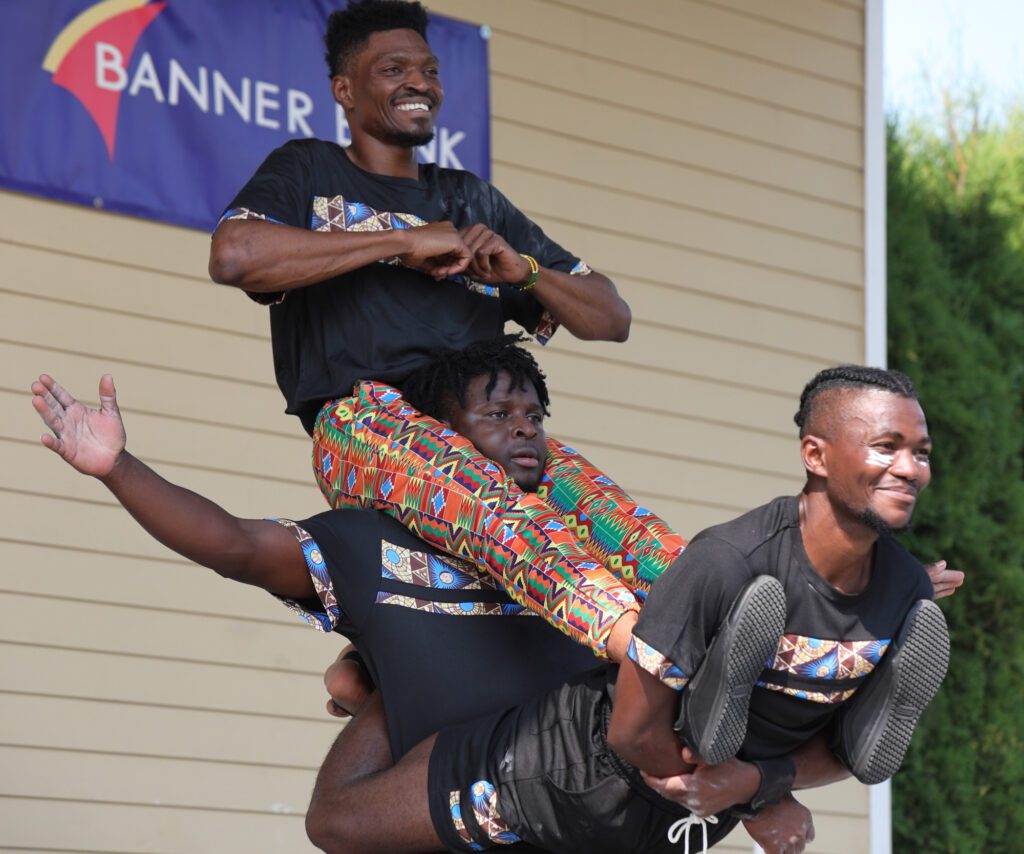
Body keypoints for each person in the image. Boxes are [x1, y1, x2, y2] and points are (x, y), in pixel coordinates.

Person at [284, 365, 953, 854]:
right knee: (703, 644)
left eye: (530, 418)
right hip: (665, 799)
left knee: (336, 817)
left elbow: (634, 735)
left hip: (564, 774)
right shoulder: (593, 555)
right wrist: (758, 790)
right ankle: (820, 655)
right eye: (501, 418)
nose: (522, 429)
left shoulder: (545, 547)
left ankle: (746, 667)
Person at [207, 0, 683, 661]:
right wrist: (400, 241)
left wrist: (525, 271)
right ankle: (643, 651)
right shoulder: (311, 171)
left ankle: (763, 661)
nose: (420, 83)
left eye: (429, 69)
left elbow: (611, 317)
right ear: (345, 90)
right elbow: (235, 255)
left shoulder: (470, 198)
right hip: (365, 422)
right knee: (496, 510)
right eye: (394, 68)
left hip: (486, 422)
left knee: (627, 530)